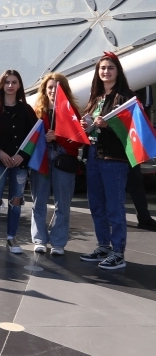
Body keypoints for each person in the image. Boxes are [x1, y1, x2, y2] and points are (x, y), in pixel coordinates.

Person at [80, 52, 136, 270]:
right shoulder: (96, 96)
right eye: (102, 68)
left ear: (118, 71)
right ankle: (103, 246)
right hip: (94, 154)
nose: (106, 71)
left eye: (110, 68)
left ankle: (118, 252)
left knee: (114, 206)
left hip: (114, 158)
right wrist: (86, 124)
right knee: (96, 204)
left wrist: (108, 125)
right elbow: (92, 126)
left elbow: (131, 129)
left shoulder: (126, 97)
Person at [30, 73, 83, 255]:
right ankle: (39, 239)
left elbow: (79, 141)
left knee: (63, 204)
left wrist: (58, 137)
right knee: (39, 201)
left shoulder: (72, 112)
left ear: (64, 89)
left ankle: (58, 242)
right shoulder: (37, 111)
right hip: (41, 160)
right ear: (44, 90)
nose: (53, 91)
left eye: (57, 87)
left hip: (64, 161)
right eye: (50, 87)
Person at [0, 70, 36, 254]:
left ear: (19, 85)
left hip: (19, 164)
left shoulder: (26, 110)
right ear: (1, 85)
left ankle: (11, 238)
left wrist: (23, 155)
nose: (10, 85)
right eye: (7, 82)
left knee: (16, 200)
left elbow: (34, 136)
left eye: (14, 82)